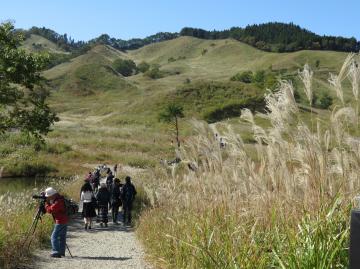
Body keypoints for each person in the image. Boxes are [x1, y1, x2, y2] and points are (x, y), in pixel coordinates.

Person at [44, 187, 68, 258]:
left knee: (53, 237)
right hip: (64, 220)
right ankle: (61, 252)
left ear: (52, 195)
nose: (48, 197)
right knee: (62, 237)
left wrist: (46, 204)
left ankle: (56, 251)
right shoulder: (58, 199)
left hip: (60, 221)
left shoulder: (58, 201)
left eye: (48, 196)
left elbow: (50, 210)